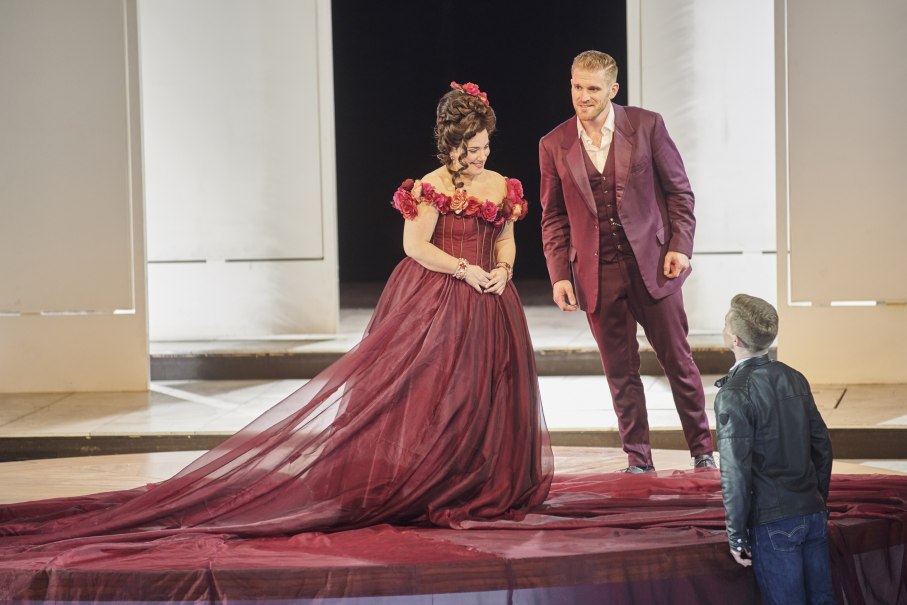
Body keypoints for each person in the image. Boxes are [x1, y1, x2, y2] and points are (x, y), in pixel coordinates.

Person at [0, 81, 552, 548]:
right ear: (450, 144)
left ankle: (479, 481)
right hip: (438, 295)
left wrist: (501, 271)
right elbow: (416, 247)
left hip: (490, 299)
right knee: (429, 394)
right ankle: (429, 481)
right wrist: (463, 270)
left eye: (484, 146)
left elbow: (505, 240)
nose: (480, 156)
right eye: (472, 148)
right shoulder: (428, 186)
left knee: (487, 391)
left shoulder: (501, 185)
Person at [538, 50, 714, 472]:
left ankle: (703, 451)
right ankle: (638, 459)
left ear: (613, 90)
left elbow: (679, 193)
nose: (582, 96)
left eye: (592, 88)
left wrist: (680, 246)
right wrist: (560, 274)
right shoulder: (554, 143)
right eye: (577, 86)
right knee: (620, 370)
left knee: (678, 361)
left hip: (654, 264)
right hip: (596, 273)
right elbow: (553, 217)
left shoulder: (646, 125)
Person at [715, 294, 836, 605]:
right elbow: (822, 447)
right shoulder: (795, 378)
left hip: (773, 523)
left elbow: (735, 471)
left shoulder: (733, 394)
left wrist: (737, 535)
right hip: (811, 513)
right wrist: (816, 499)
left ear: (735, 338)